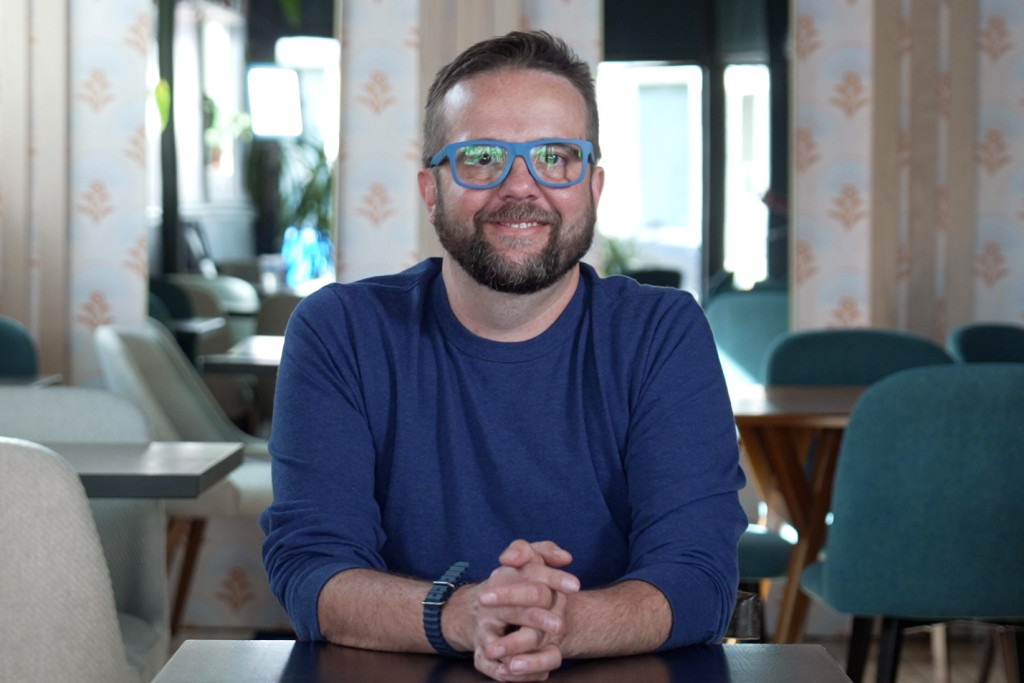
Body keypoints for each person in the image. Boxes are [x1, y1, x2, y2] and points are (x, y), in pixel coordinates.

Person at [259, 30, 746, 682]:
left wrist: (560, 625)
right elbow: (312, 570)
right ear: (432, 190)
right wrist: (466, 614)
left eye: (556, 156)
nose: (522, 186)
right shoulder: (338, 332)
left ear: (593, 186)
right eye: (482, 157)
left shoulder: (663, 333)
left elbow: (698, 574)